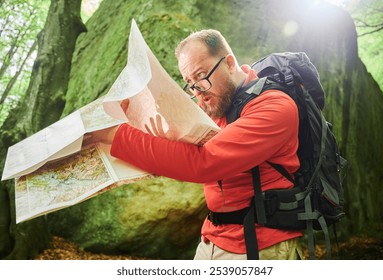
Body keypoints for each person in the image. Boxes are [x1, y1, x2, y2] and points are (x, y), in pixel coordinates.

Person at [92, 29, 303, 260]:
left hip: (260, 245)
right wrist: (133, 122)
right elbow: (179, 153)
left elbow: (204, 163)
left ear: (229, 64)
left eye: (201, 75)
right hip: (212, 239)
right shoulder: (217, 107)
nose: (198, 92)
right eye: (189, 83)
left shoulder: (275, 106)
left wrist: (117, 135)